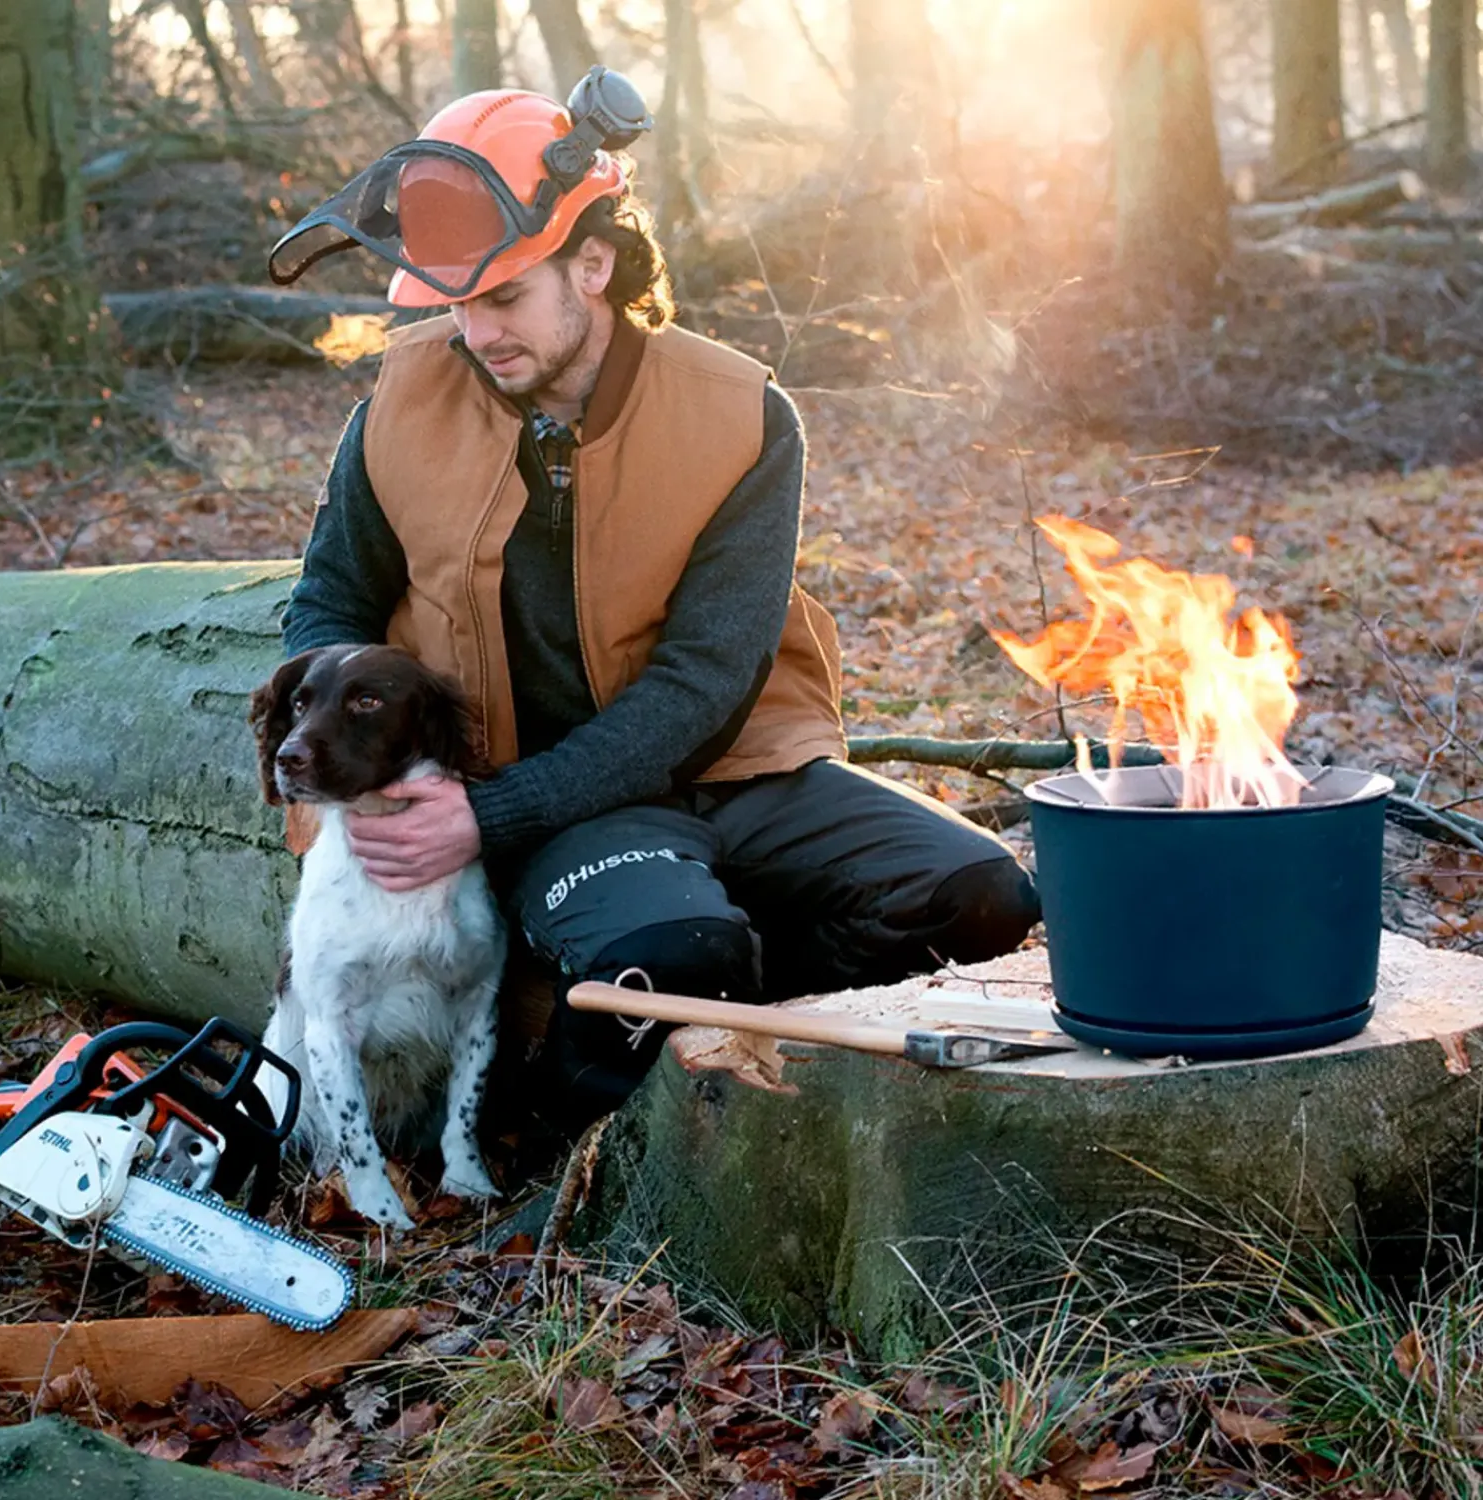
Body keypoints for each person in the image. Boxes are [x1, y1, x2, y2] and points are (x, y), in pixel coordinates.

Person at [268, 68, 1041, 1129]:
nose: (478, 333)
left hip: (733, 768)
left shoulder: (741, 417)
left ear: (592, 262)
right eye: (456, 305)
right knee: (669, 956)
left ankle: (762, 1012)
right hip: (551, 794)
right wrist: (384, 783)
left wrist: (489, 820)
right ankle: (563, 1151)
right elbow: (327, 610)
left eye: (503, 297)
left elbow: (707, 682)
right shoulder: (401, 407)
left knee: (983, 892)